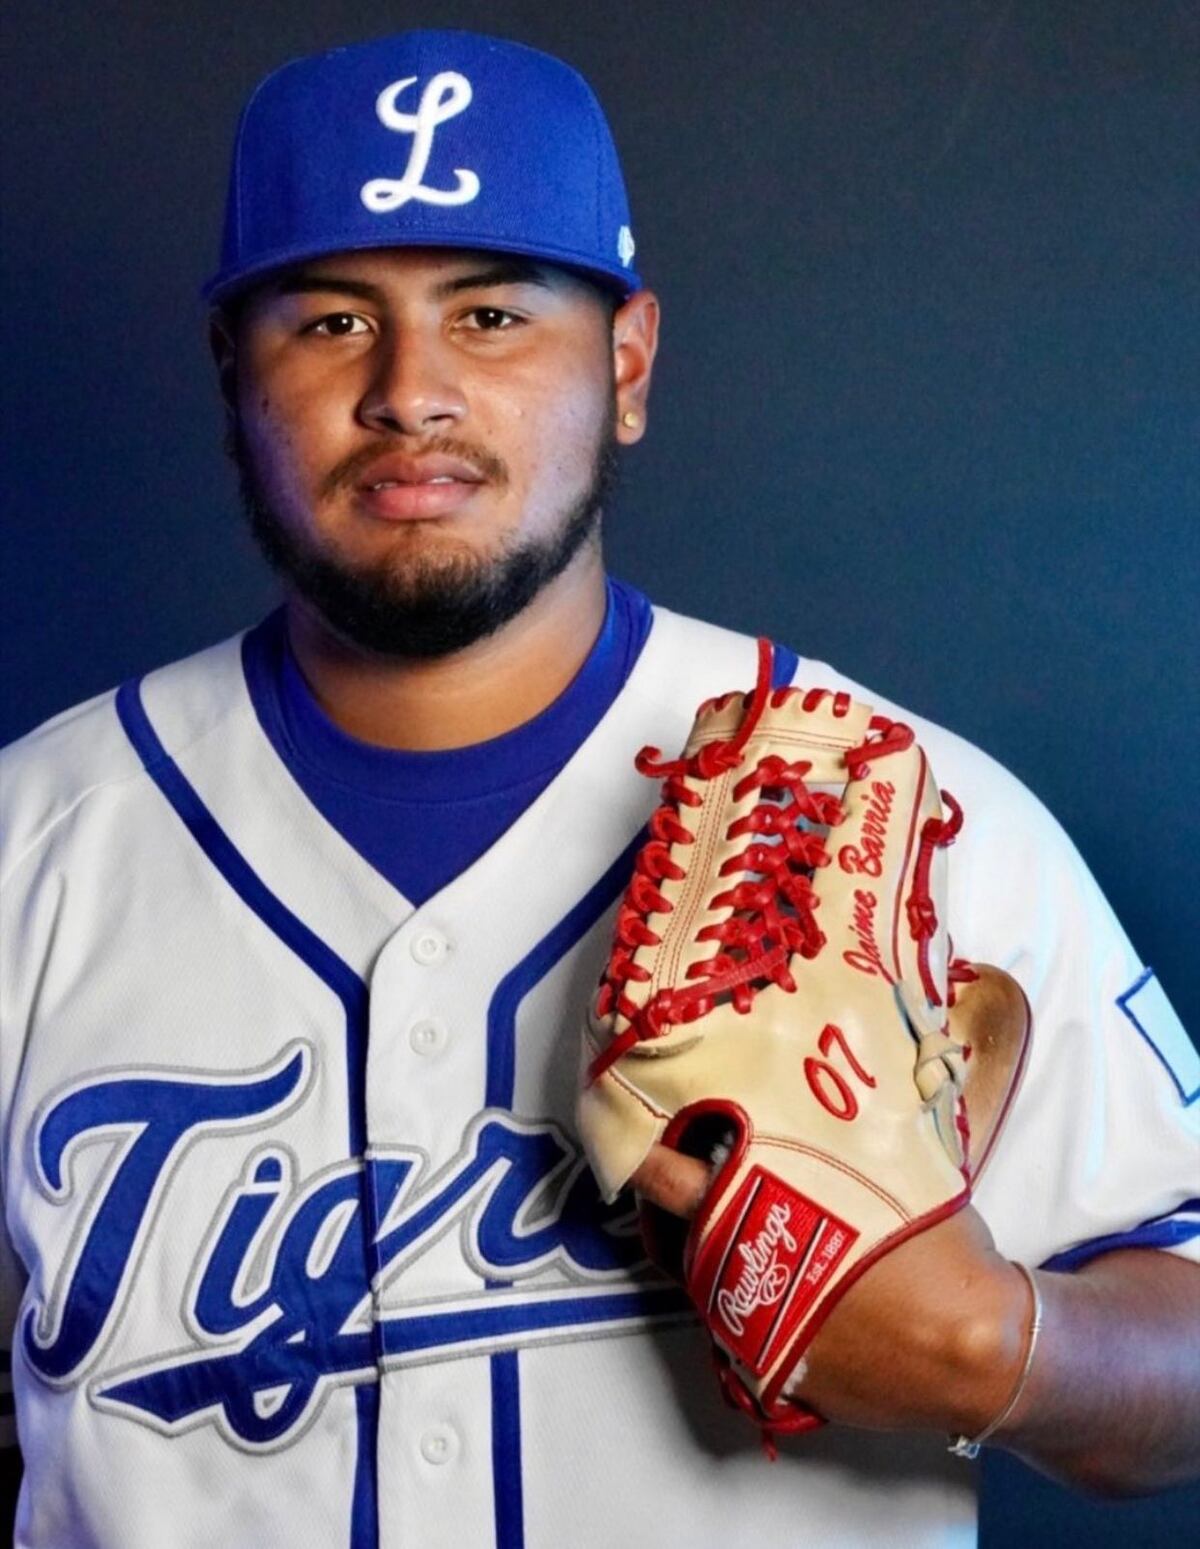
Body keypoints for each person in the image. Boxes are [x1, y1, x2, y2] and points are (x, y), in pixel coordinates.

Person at [1, 28, 1196, 1549]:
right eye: (328, 321)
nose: (410, 391)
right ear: (234, 371)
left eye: (491, 313)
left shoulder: (899, 810)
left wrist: (998, 1345)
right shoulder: (30, 850)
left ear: (626, 362)